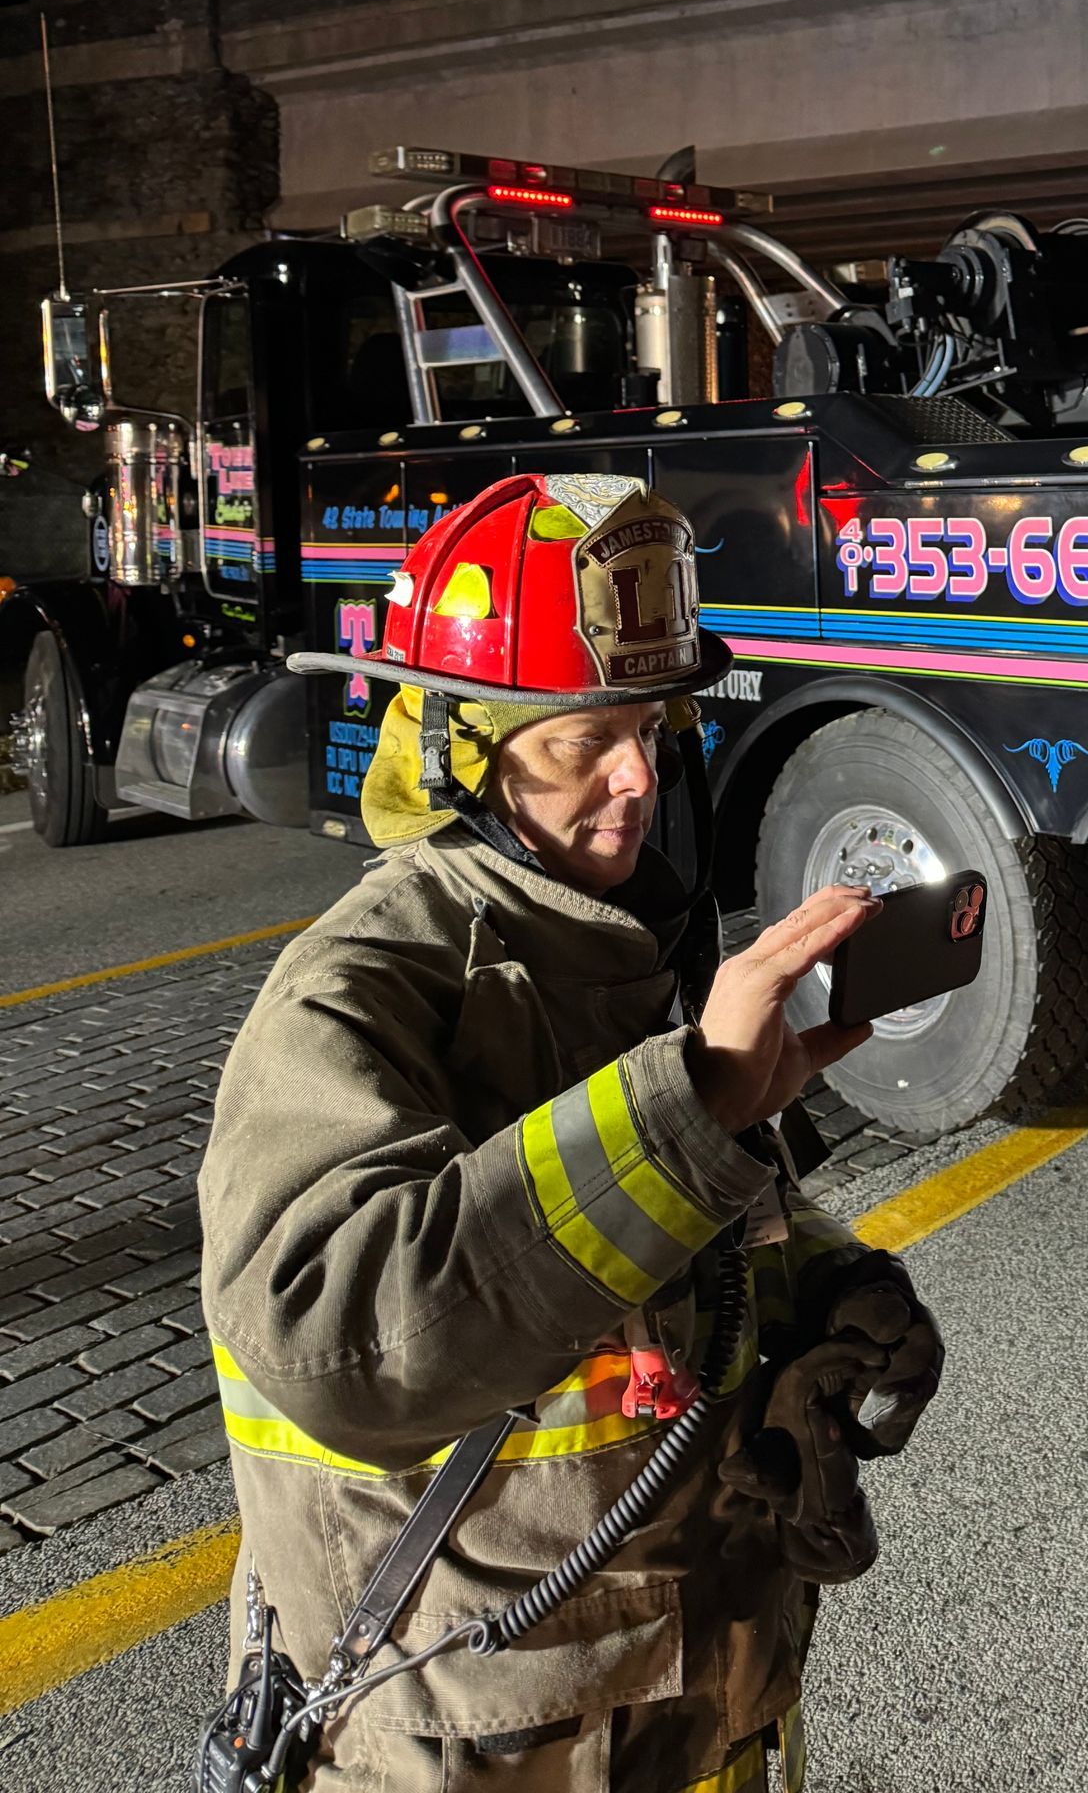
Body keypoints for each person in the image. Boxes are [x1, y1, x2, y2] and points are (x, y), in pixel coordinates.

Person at [198, 471, 943, 1792]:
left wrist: (826, 1278)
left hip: (681, 1705)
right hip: (486, 1742)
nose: (634, 780)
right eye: (576, 740)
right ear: (460, 747)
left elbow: (655, 1226)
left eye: (653, 731)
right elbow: (333, 1336)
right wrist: (693, 1101)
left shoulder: (600, 942)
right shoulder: (363, 983)